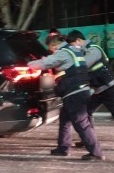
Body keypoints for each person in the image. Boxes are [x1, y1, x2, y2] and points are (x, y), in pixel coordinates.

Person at [28, 31, 105, 161]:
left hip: (75, 92)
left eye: (51, 49)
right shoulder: (74, 50)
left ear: (54, 45)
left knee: (81, 123)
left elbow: (47, 63)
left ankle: (96, 153)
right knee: (65, 120)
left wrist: (29, 64)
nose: (52, 51)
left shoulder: (63, 52)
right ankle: (63, 148)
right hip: (80, 89)